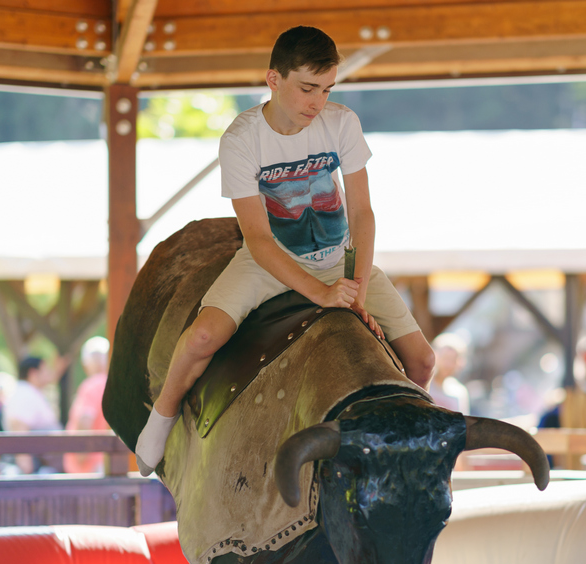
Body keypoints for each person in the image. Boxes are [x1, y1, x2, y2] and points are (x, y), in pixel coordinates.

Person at [135, 26, 435, 470]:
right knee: (201, 336)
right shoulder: (241, 139)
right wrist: (323, 295)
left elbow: (363, 215)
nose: (318, 102)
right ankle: (161, 419)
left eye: (328, 88)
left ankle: (404, 447)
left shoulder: (342, 123)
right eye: (307, 88)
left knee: (423, 359)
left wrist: (353, 288)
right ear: (274, 80)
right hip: (268, 262)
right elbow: (256, 239)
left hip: (341, 261)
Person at [3, 355, 67, 474]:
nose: (48, 373)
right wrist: (27, 470)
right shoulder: (24, 394)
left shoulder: (29, 391)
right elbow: (19, 428)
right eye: (45, 370)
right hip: (40, 468)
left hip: (45, 464)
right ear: (33, 373)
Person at [64, 336, 110, 475]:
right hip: (106, 460)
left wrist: (80, 455)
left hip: (90, 466)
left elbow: (85, 419)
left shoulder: (91, 386)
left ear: (86, 363)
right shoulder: (114, 385)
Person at [428, 333, 470, 414]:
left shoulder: (459, 392)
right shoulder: (423, 386)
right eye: (445, 358)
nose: (448, 365)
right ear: (435, 356)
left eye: (453, 360)